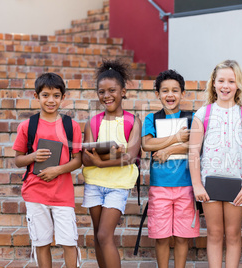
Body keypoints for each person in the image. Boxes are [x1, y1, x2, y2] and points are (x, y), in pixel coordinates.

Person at [189, 60, 242, 268]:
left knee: (234, 234)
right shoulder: (203, 114)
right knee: (214, 233)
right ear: (213, 83)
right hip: (209, 184)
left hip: (237, 185)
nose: (225, 86)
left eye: (231, 81)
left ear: (238, 85)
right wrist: (197, 185)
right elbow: (193, 152)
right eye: (221, 81)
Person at [13, 73, 82, 268]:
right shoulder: (28, 126)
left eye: (56, 95)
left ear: (63, 97)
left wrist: (57, 170)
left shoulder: (71, 126)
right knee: (41, 242)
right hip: (35, 192)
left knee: (69, 242)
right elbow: (18, 160)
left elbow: (78, 160)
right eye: (45, 95)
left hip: (63, 194)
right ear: (36, 96)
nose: (51, 100)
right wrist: (33, 156)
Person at [81, 59, 141, 268]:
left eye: (112, 90)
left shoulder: (133, 121)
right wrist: (110, 156)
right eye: (101, 92)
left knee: (106, 234)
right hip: (94, 184)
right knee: (98, 236)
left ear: (123, 92)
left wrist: (100, 161)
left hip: (118, 185)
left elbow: (131, 157)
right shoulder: (93, 122)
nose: (106, 96)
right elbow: (85, 157)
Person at [141, 69, 199, 268]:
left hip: (186, 185)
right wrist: (176, 138)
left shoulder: (192, 117)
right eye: (165, 91)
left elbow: (196, 145)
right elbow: (147, 144)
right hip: (160, 187)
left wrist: (168, 150)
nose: (170, 95)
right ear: (158, 94)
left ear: (182, 93)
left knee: (183, 237)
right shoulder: (152, 119)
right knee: (162, 236)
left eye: (175, 90)